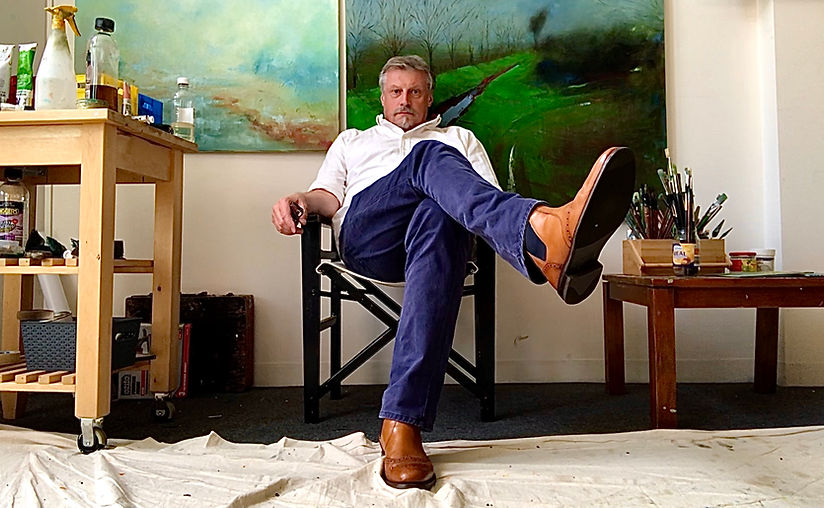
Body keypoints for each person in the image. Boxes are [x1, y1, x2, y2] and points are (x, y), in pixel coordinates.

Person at [272, 55, 635, 490]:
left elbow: (482, 208)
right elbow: (328, 197)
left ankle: (401, 426)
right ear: (383, 98)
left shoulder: (460, 138)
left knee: (440, 214)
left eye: (415, 92)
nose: (405, 100)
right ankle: (539, 237)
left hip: (434, 248)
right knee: (428, 156)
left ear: (429, 97)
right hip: (370, 240)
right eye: (396, 91)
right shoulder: (353, 142)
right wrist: (300, 199)